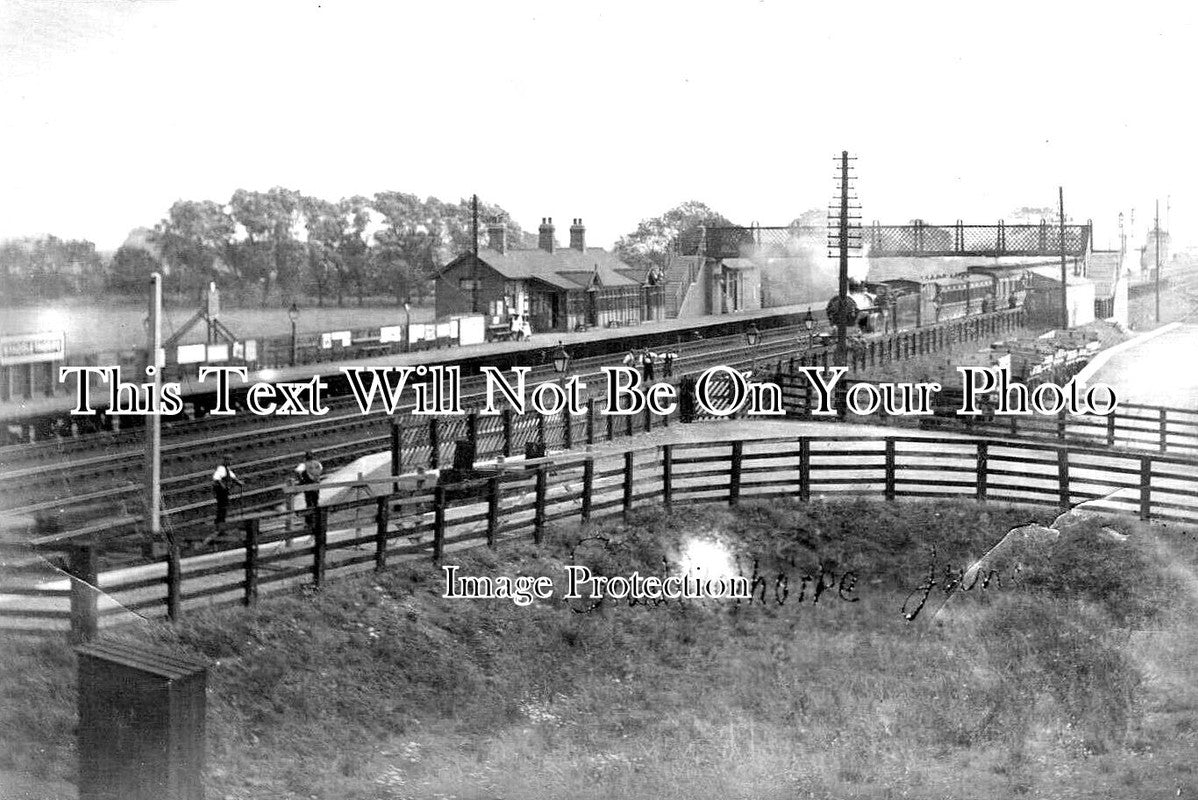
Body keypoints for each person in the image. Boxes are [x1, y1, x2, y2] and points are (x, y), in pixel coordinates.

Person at [211, 455, 244, 528]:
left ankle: (222, 520)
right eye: (228, 460)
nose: (229, 462)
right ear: (224, 460)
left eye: (230, 460)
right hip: (220, 490)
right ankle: (220, 521)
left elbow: (233, 477)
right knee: (222, 505)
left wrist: (238, 482)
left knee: (224, 504)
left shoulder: (227, 469)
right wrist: (223, 486)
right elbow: (217, 478)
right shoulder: (221, 468)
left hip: (225, 490)